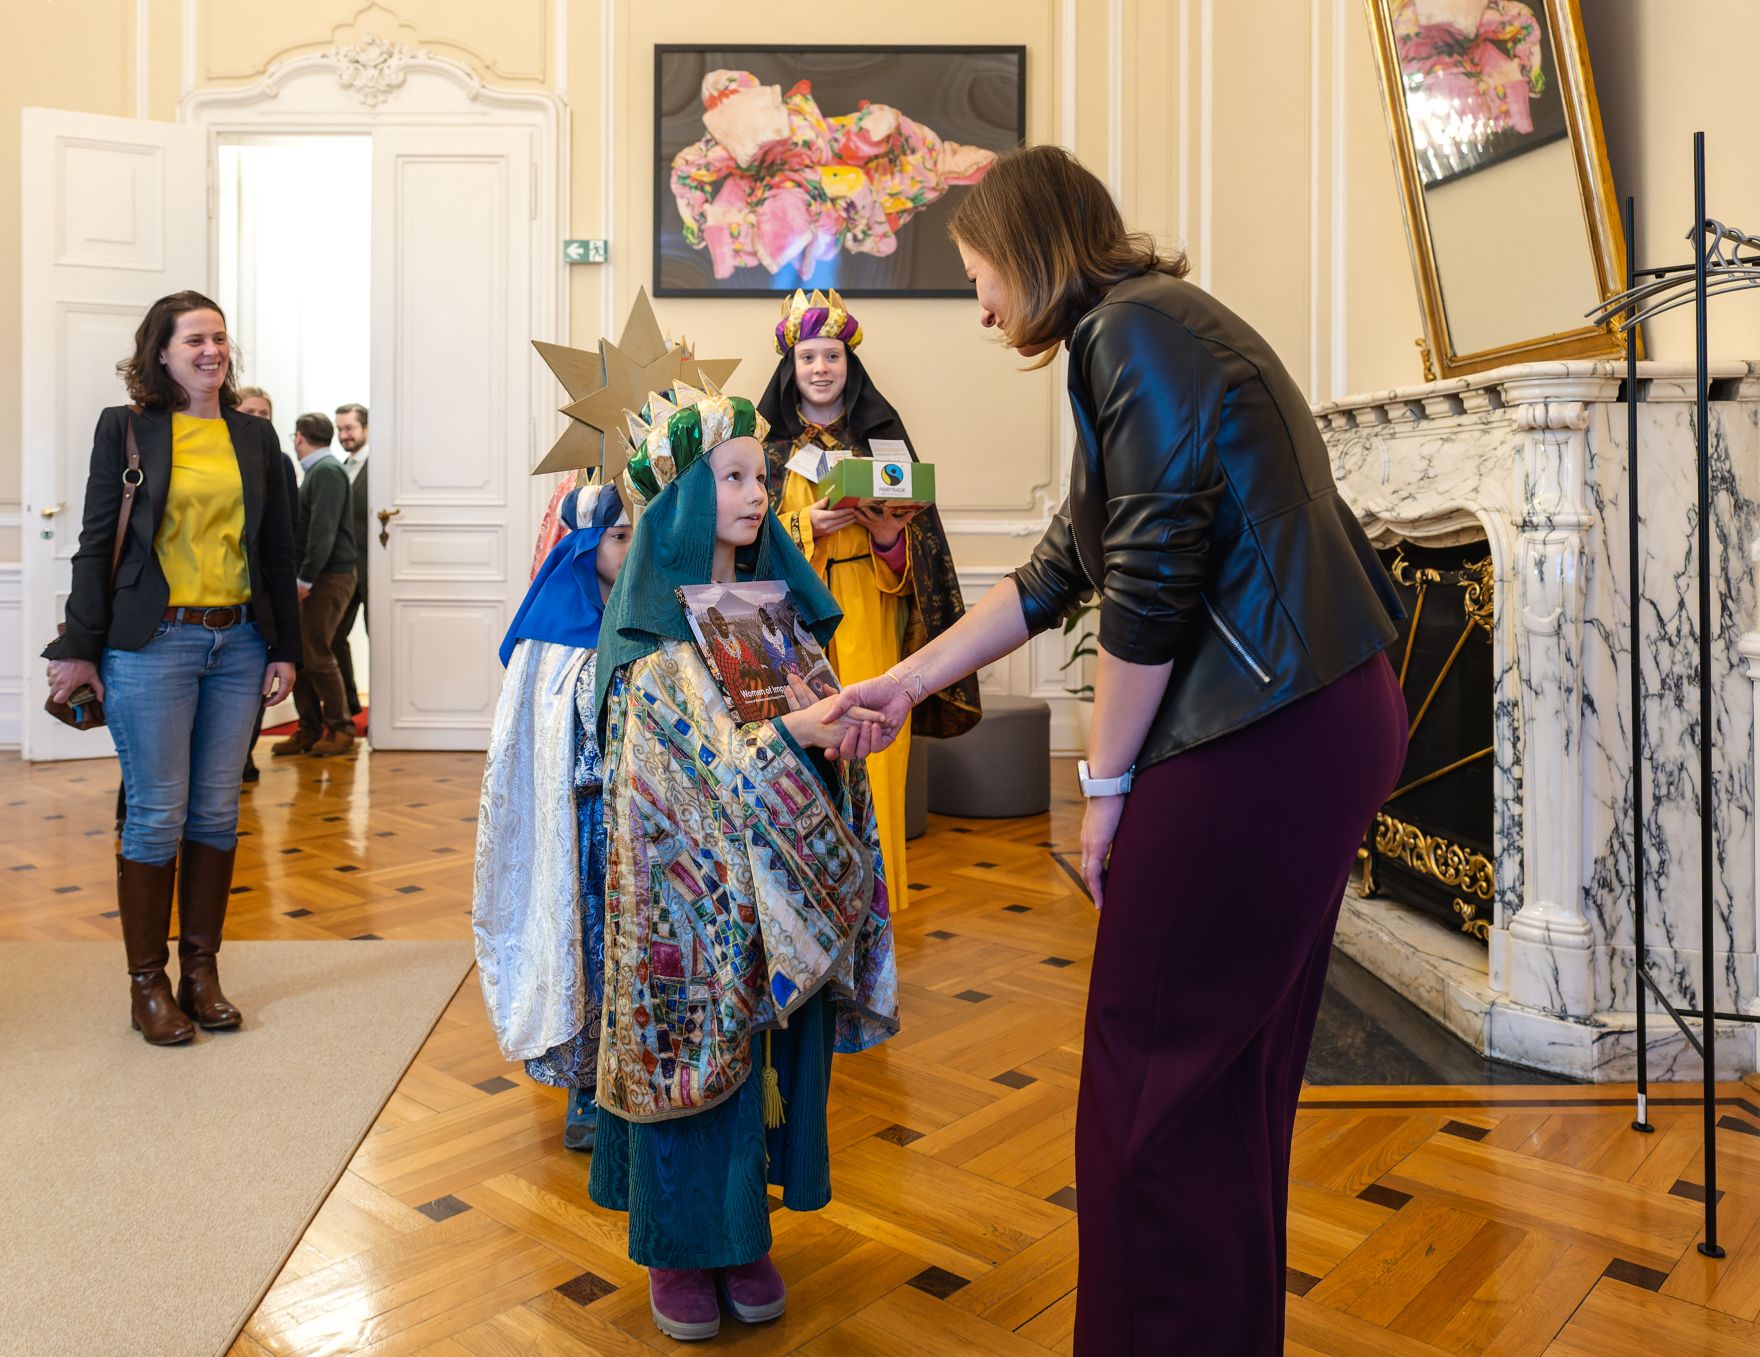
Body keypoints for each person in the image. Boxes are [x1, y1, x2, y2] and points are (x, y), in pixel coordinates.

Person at [828, 146, 1409, 1355]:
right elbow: (1062, 568)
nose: (979, 307)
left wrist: (1101, 787)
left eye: (980, 273)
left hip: (1263, 729)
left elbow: (1146, 592)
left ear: (1030, 251)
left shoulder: (1128, 338)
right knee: (1221, 1081)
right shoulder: (1150, 327)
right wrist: (903, 679)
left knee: (1148, 1089)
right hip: (1313, 713)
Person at [588, 381, 898, 1341]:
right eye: (731, 477)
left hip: (778, 891)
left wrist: (838, 736)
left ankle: (746, 1227)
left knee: (770, 1050)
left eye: (760, 475)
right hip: (692, 908)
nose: (755, 493)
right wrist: (796, 731)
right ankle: (681, 1246)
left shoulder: (773, 613)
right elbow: (677, 773)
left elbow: (796, 729)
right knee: (696, 1054)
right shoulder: (648, 645)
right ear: (684, 498)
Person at [44, 291, 300, 1046]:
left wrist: (283, 646)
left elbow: (277, 552)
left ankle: (202, 972)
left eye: (219, 338)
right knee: (159, 809)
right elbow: (98, 544)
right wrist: (79, 645)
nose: (211, 351)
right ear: (161, 351)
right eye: (194, 339)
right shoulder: (124, 428)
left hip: (239, 643)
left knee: (218, 810)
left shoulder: (255, 437)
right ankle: (147, 983)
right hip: (152, 644)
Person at [759, 289, 979, 904]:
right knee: (804, 743)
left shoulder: (883, 446)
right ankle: (796, 901)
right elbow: (745, 540)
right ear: (791, 367)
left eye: (832, 356)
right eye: (809, 357)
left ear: (850, 365)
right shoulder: (765, 453)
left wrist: (887, 539)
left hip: (869, 610)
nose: (821, 368)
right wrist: (808, 528)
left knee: (874, 745)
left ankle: (874, 903)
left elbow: (918, 562)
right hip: (791, 621)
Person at [474, 479, 633, 1153]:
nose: (633, 549)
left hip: (645, 823)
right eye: (621, 538)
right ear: (586, 544)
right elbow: (532, 744)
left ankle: (641, 1078)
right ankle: (587, 1087)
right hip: (585, 826)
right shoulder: (552, 635)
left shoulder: (645, 611)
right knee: (590, 954)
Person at [275, 413, 358, 758]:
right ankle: (308, 728)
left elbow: (321, 532)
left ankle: (340, 729)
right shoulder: (322, 471)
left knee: (317, 653)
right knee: (306, 655)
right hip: (321, 575)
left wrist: (305, 578)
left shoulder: (325, 472)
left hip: (328, 576)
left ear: (298, 438)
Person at [235, 386, 297, 785]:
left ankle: (242, 756)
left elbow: (286, 531)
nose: (258, 418)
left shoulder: (281, 461)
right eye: (250, 411)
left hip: (264, 588)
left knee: (255, 681)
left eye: (265, 413)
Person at [332, 403, 370, 716]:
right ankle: (350, 705)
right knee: (332, 637)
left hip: (373, 570)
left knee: (378, 638)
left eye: (349, 428)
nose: (344, 435)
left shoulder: (379, 466)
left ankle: (383, 711)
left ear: (365, 429)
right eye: (340, 429)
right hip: (346, 572)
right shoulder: (342, 466)